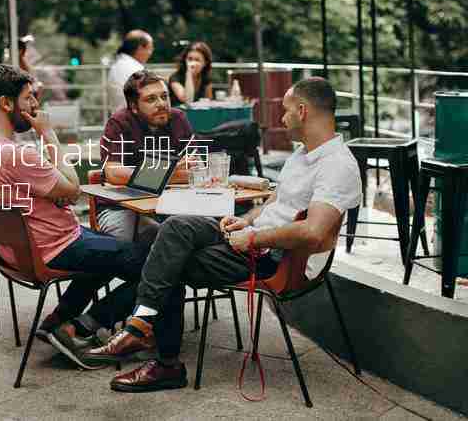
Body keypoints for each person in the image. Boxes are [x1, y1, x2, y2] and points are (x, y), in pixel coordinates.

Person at [83, 77, 362, 392]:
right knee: (176, 226)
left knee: (170, 259)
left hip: (274, 259)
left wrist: (254, 239)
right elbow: (274, 205)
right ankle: (140, 323)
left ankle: (164, 361)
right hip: (254, 240)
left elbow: (312, 233)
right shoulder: (302, 155)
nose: (281, 119)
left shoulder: (337, 165)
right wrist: (246, 221)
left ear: (302, 111)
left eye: (284, 111)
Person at [0, 64, 157, 370]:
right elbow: (72, 191)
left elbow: (48, 189)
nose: (35, 106)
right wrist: (49, 134)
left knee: (112, 246)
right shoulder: (17, 154)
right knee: (156, 263)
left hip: (23, 252)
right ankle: (78, 328)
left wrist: (53, 189)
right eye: (28, 98)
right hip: (55, 247)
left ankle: (56, 320)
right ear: (6, 103)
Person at [97, 70, 195, 241]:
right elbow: (113, 173)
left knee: (201, 232)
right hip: (122, 207)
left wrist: (156, 176)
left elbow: (196, 168)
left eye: (164, 96)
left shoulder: (179, 118)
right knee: (127, 248)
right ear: (134, 107)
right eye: (151, 99)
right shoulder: (119, 123)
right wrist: (169, 173)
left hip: (172, 202)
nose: (162, 104)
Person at [107, 30, 154, 112]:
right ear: (140, 48)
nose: (151, 52)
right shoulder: (135, 69)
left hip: (120, 118)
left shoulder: (118, 65)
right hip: (133, 119)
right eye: (150, 48)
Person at [168, 41, 213, 106]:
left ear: (205, 63)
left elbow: (209, 101)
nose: (192, 63)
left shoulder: (206, 78)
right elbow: (187, 100)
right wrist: (189, 73)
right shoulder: (175, 78)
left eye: (197, 60)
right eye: (190, 59)